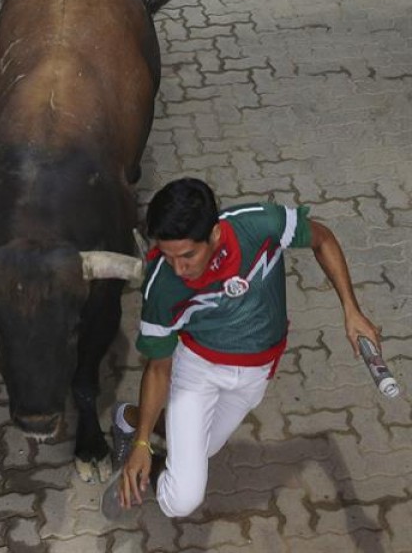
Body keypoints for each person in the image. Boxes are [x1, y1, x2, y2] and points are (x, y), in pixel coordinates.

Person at [106, 177, 382, 518]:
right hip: (197, 371)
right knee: (183, 500)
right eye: (168, 256)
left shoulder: (260, 224)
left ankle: (132, 416)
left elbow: (322, 238)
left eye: (188, 255)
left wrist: (351, 310)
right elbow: (159, 367)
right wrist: (143, 445)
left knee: (203, 447)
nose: (179, 268)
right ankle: (138, 436)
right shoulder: (162, 287)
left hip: (255, 375)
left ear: (215, 235)